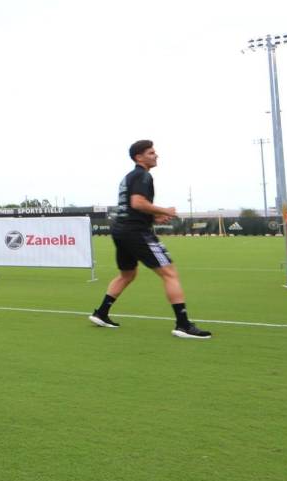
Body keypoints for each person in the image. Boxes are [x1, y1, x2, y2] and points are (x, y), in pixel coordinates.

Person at [90, 140, 212, 339]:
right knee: (170, 273)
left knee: (127, 274)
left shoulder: (129, 177)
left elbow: (131, 207)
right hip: (136, 232)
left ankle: (101, 313)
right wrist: (165, 210)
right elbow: (137, 203)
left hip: (121, 231)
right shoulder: (142, 175)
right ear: (139, 157)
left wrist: (154, 216)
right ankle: (183, 324)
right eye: (151, 152)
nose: (156, 155)